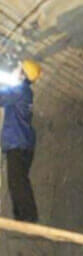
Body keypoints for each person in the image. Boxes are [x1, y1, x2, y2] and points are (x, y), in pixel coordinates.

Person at [0, 59, 41, 222]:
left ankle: (28, 216)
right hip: (23, 143)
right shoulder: (24, 91)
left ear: (23, 74)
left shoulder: (19, 91)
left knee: (17, 181)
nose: (15, 70)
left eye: (18, 69)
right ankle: (22, 216)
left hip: (18, 143)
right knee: (17, 181)